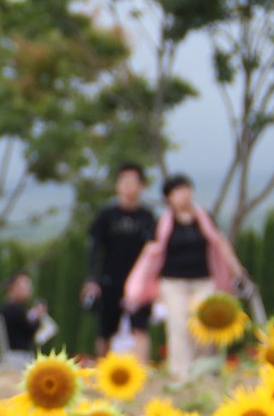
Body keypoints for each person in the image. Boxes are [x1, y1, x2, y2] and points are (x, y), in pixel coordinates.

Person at [124, 173, 245, 384]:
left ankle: (206, 369)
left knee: (206, 324)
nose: (185, 195)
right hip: (173, 282)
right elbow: (151, 254)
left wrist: (236, 269)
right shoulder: (163, 223)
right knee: (178, 326)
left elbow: (220, 243)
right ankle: (180, 373)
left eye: (187, 189)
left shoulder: (204, 218)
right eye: (178, 191)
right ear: (169, 197)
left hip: (203, 279)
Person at [82, 162, 157, 356]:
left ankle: (142, 372)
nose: (129, 187)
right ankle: (103, 370)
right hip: (110, 278)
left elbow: (155, 251)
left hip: (139, 281)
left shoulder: (147, 217)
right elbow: (94, 248)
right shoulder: (106, 215)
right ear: (117, 185)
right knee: (106, 329)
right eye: (124, 182)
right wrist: (91, 279)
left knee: (140, 326)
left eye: (134, 182)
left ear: (141, 186)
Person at [0, 271, 49, 354]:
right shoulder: (16, 309)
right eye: (25, 285)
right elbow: (30, 331)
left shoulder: (6, 307)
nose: (29, 289)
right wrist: (38, 317)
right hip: (19, 354)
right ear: (13, 287)